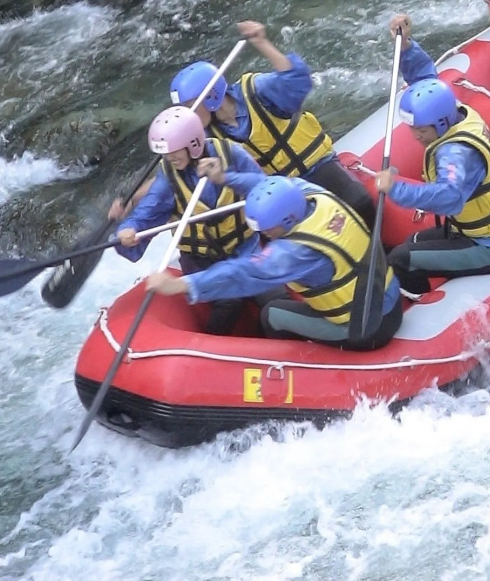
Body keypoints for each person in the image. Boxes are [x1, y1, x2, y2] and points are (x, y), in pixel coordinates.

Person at [146, 175, 403, 350]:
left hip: (366, 328)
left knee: (272, 314)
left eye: (269, 229)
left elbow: (245, 272)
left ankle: (296, 366)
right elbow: (266, 183)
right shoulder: (313, 194)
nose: (264, 234)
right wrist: (226, 178)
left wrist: (183, 284)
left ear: (288, 220)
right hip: (388, 299)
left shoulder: (295, 252)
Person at [169, 20, 376, 228]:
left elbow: (298, 81)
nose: (188, 114)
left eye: (191, 105)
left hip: (316, 166)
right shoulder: (205, 136)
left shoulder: (256, 89)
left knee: (360, 202)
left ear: (211, 96)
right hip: (278, 193)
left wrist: (262, 43)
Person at [374, 15, 490, 296]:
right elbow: (424, 78)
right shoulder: (450, 109)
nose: (415, 136)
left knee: (400, 259)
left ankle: (420, 314)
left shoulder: (455, 153)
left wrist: (396, 189)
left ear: (440, 123)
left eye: (420, 131)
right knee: (413, 241)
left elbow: (450, 198)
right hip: (474, 232)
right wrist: (405, 46)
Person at [113, 105, 269, 334]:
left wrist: (226, 178)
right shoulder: (169, 179)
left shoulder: (230, 155)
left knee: (275, 296)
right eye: (165, 152)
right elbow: (149, 210)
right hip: (201, 259)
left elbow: (265, 188)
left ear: (193, 143)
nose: (169, 158)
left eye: (173, 151)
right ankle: (211, 348)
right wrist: (129, 229)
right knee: (230, 302)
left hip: (246, 249)